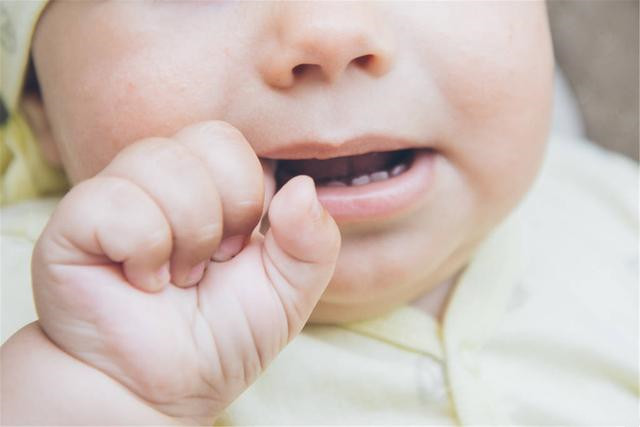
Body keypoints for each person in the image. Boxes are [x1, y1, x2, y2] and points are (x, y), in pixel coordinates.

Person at [1, 1, 637, 425]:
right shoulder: (42, 303)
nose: (330, 32)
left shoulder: (618, 215)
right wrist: (101, 391)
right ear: (38, 104)